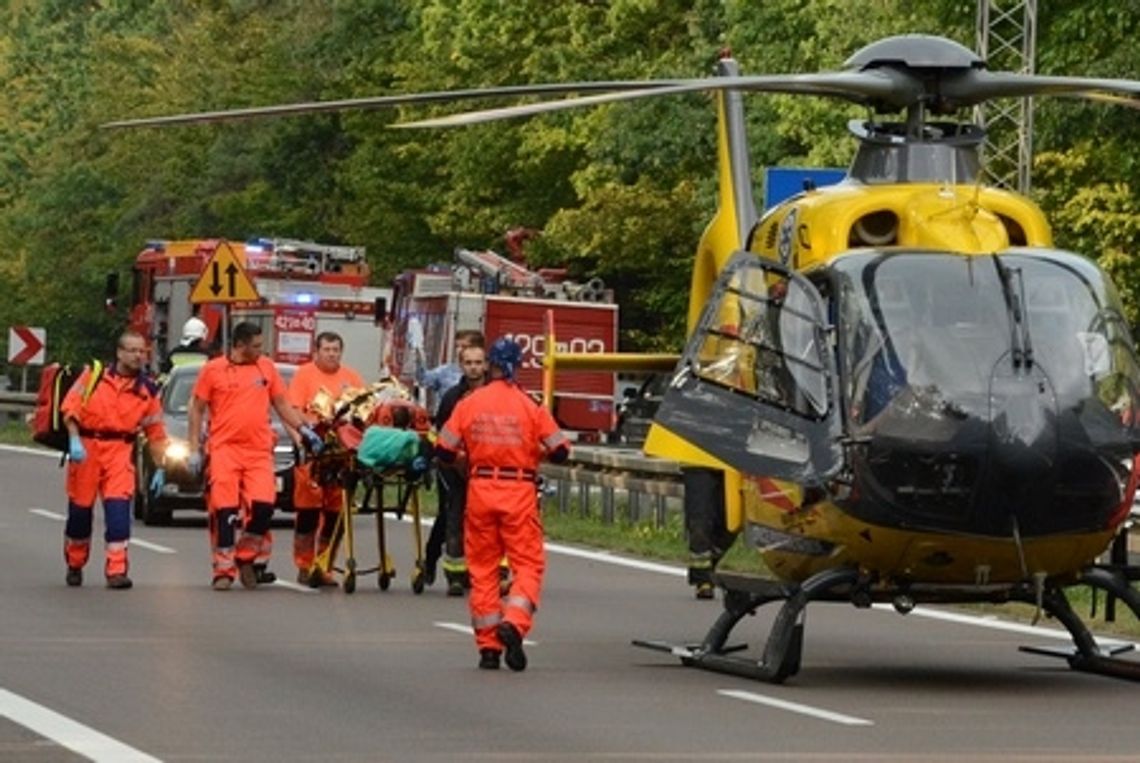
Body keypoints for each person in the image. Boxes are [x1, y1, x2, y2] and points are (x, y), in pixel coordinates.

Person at [436, 337, 570, 671]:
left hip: (481, 489)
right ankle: (514, 621)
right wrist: (531, 454)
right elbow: (561, 450)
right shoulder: (529, 405)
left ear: (491, 365)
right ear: (517, 366)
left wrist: (473, 460)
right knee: (527, 565)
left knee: (482, 569)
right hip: (519, 492)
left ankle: (489, 648)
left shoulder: (470, 402)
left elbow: (443, 451)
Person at [187, 321, 322, 590]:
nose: (261, 350)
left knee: (263, 506)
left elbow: (282, 404)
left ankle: (246, 556)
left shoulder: (266, 368)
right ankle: (223, 570)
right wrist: (193, 448)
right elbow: (197, 408)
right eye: (256, 346)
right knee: (224, 510)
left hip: (258, 451)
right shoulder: (213, 371)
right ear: (239, 345)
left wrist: (304, 430)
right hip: (225, 449)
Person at [61, 330, 168, 589]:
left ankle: (116, 569)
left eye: (142, 351)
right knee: (80, 514)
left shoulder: (146, 390)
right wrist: (75, 440)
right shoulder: (93, 377)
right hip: (87, 448)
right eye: (132, 350)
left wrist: (160, 468)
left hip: (120, 450)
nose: (138, 356)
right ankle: (75, 563)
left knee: (119, 513)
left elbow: (155, 432)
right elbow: (70, 408)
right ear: (119, 352)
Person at [286, 331, 365, 587]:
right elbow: (292, 412)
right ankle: (305, 563)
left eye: (336, 350)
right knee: (308, 512)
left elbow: (363, 412)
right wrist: (302, 442)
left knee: (336, 514)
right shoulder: (304, 375)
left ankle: (325, 564)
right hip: (313, 452)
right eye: (327, 349)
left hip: (341, 454)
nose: (332, 354)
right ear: (316, 352)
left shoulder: (351, 378)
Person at [424, 342, 488, 595]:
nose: (474, 368)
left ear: (485, 365)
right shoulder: (452, 397)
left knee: (484, 522)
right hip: (454, 467)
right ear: (461, 365)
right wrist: (453, 460)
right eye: (468, 363)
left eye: (478, 363)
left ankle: (484, 571)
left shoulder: (495, 393)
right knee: (452, 515)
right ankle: (451, 572)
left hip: (484, 468)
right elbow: (441, 435)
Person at [417, 330, 484, 414]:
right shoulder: (444, 371)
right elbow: (423, 379)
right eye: (457, 346)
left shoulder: (488, 377)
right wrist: (419, 356)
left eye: (464, 346)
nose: (459, 350)